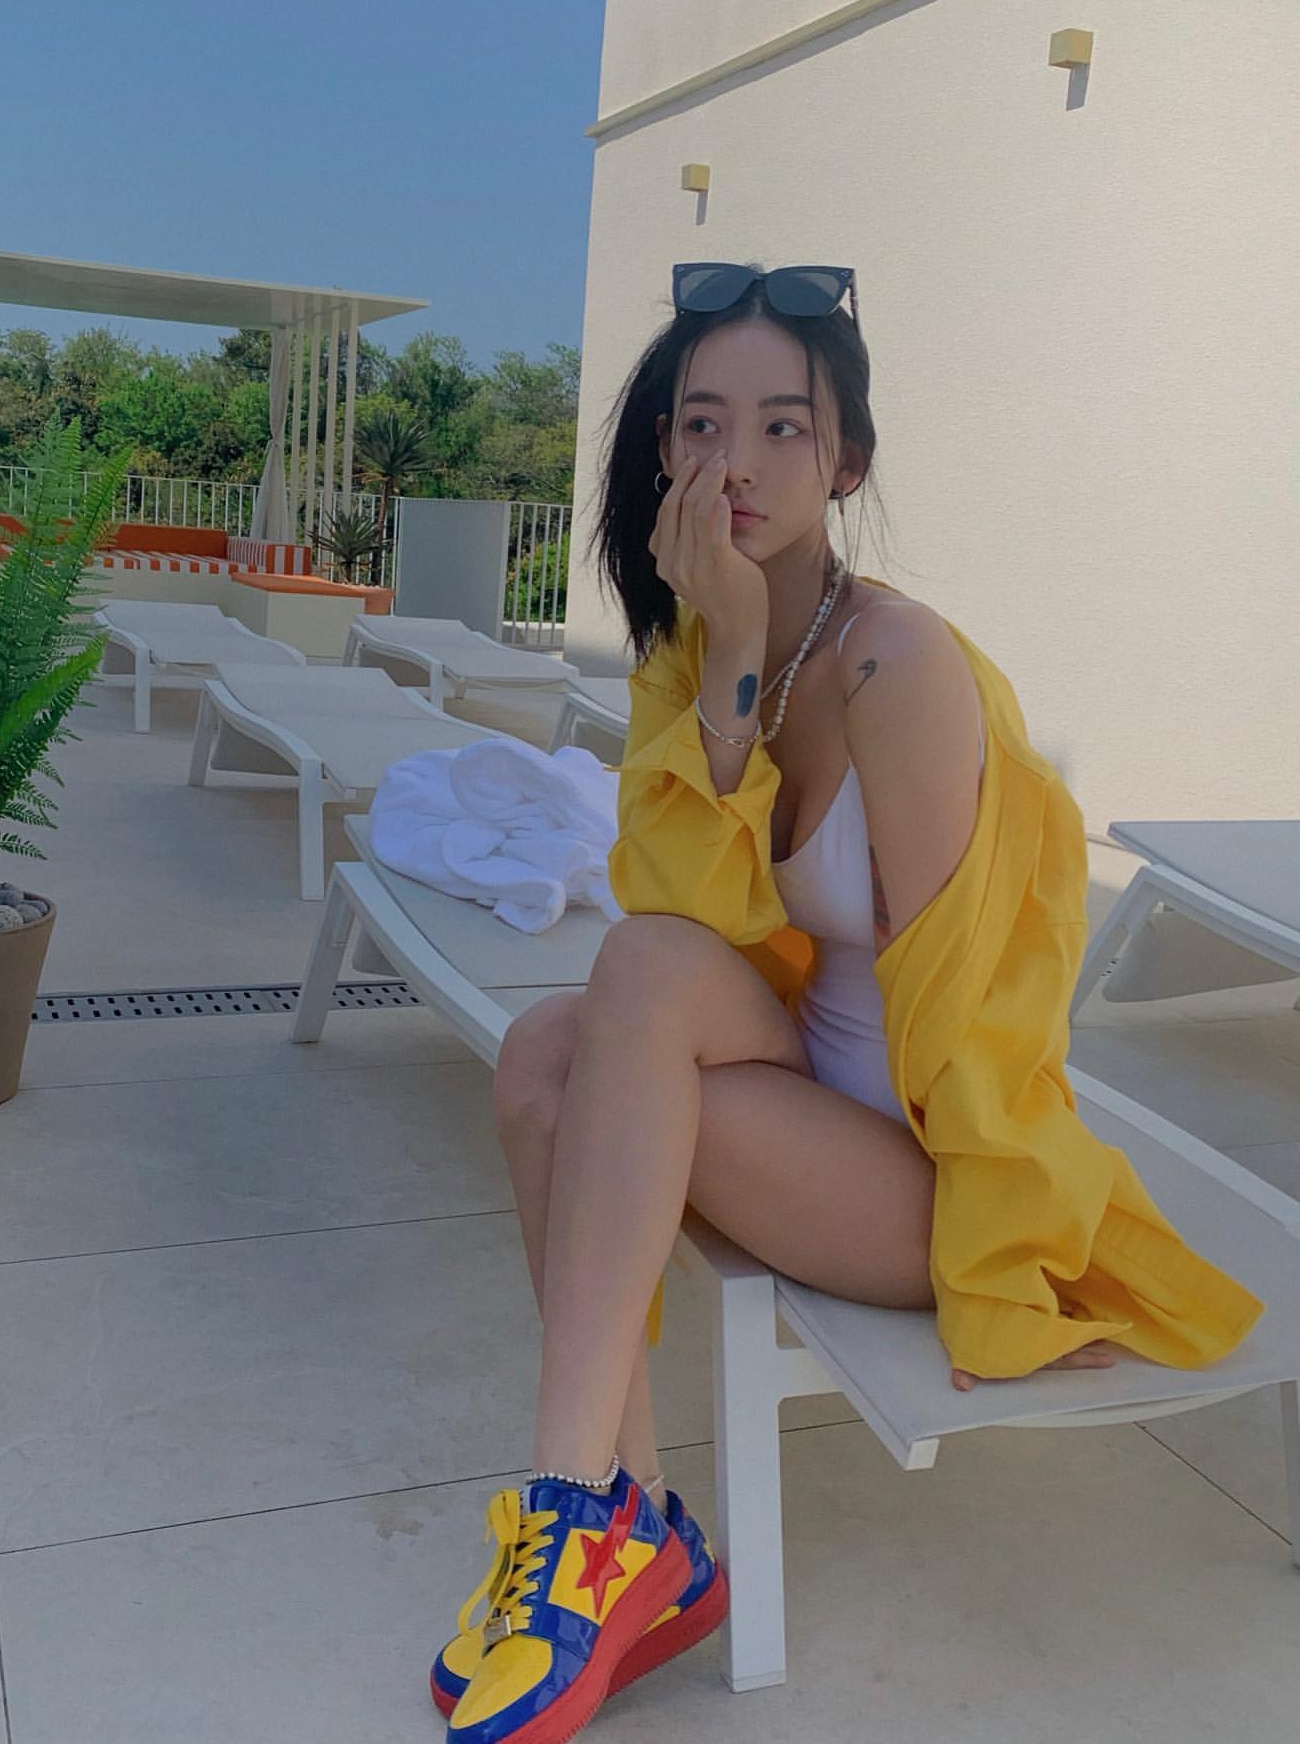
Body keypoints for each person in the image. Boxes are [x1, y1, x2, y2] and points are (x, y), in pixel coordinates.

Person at [431, 262, 1263, 1744]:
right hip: (789, 1086)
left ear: (848, 462)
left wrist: (1009, 1265)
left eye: (782, 427)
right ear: (664, 451)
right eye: (701, 424)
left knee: (591, 1039)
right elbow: (684, 921)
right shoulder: (696, 643)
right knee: (553, 1044)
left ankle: (585, 1521)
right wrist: (734, 664)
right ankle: (624, 1522)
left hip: (918, 1169)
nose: (735, 464)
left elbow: (985, 1013)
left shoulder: (902, 667)